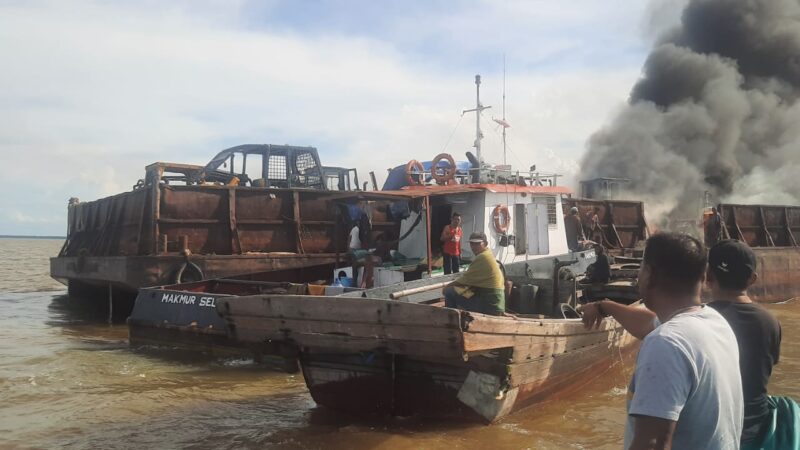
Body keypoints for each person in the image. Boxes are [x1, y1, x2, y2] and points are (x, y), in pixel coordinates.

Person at [581, 239, 797, 448]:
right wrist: (605, 306)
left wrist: (604, 306)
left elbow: (653, 443)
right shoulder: (717, 322)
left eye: (642, 269)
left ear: (650, 275)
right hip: (751, 431)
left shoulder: (666, 342)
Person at [442, 232, 505, 316]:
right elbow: (469, 279)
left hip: (490, 305)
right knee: (463, 291)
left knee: (449, 291)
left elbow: (464, 280)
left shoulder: (482, 257)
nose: (473, 247)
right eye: (472, 244)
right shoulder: (488, 254)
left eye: (477, 244)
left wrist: (447, 287)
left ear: (485, 243)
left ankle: (451, 319)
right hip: (496, 303)